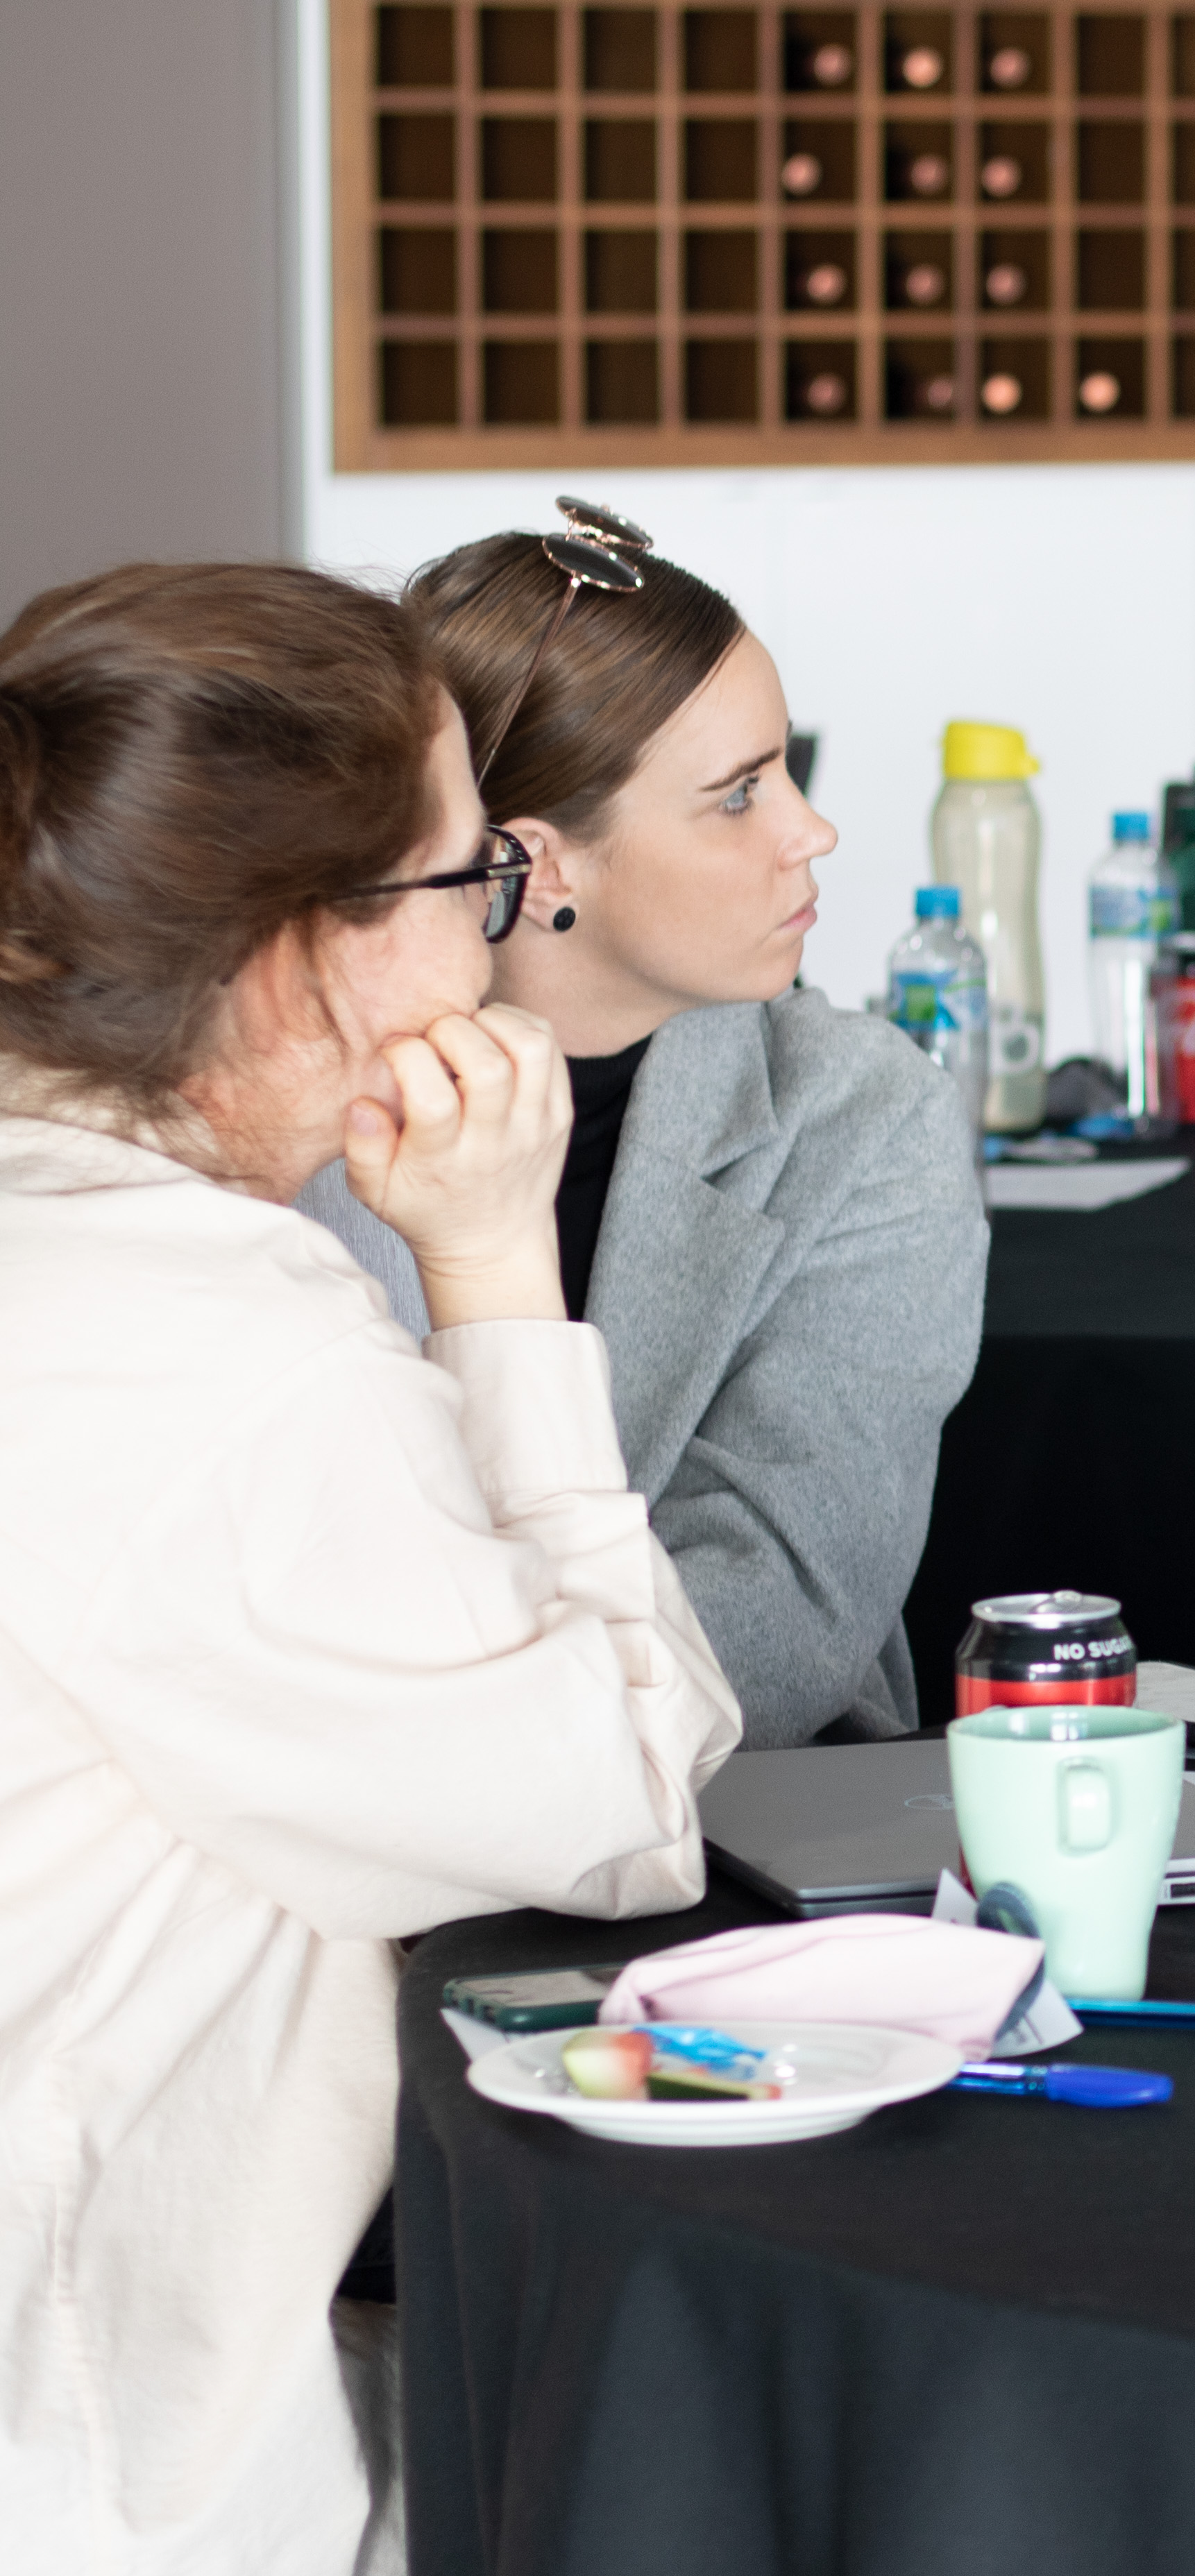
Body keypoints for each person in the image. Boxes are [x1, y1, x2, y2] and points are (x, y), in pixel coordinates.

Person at [0, 563, 735, 2576]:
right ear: (300, 958)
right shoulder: (229, 1365)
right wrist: (498, 1271)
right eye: (466, 876)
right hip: (126, 2575)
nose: (504, 931)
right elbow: (627, 1804)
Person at [298, 503, 986, 1746]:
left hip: (743, 1812)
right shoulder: (293, 1103)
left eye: (785, 771)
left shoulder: (861, 1114)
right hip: (355, 1808)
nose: (813, 832)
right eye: (740, 796)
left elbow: (780, 1624)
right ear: (539, 866)